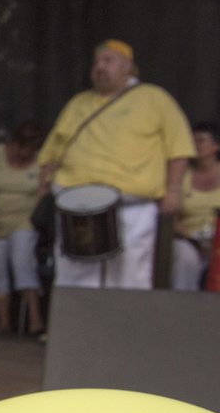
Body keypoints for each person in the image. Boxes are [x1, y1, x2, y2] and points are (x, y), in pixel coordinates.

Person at [39, 39, 193, 289]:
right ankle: (79, 327)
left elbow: (179, 149)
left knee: (129, 275)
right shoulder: (78, 103)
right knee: (74, 276)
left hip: (131, 205)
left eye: (107, 61)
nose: (99, 67)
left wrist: (173, 191)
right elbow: (51, 155)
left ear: (127, 67)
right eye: (96, 62)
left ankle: (125, 328)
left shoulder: (154, 98)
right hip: (74, 204)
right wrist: (43, 188)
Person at [0, 121, 45, 334]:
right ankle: (3, 322)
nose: (26, 154)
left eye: (32, 150)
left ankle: (35, 320)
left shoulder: (41, 161)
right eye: (23, 149)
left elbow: (44, 188)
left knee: (22, 263)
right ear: (13, 144)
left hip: (24, 221)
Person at [172, 121, 220, 290]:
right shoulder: (181, 176)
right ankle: (183, 307)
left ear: (216, 146)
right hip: (188, 239)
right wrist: (193, 240)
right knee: (184, 257)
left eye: (200, 140)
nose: (194, 145)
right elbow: (172, 216)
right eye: (192, 140)